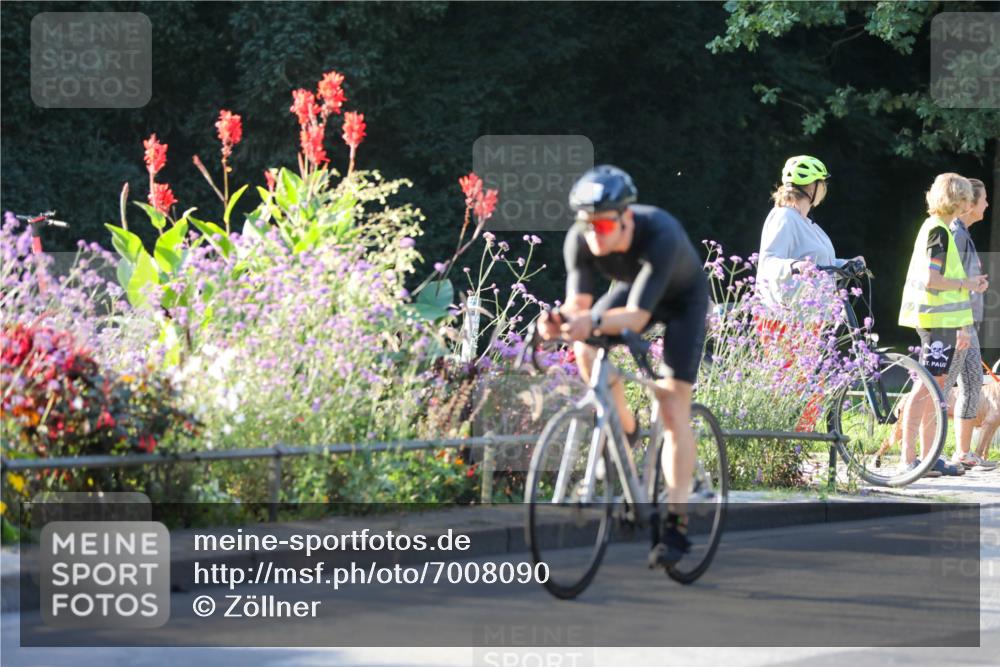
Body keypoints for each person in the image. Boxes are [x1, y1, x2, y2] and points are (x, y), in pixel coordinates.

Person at [537, 165, 708, 569]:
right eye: (587, 224)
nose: (594, 232)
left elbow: (634, 317)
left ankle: (677, 524)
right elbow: (578, 308)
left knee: (671, 408)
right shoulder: (580, 239)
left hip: (681, 301)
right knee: (584, 347)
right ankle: (624, 430)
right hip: (636, 293)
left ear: (625, 218)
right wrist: (557, 321)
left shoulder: (660, 234)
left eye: (603, 224)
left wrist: (591, 323)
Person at [755, 155, 864, 430]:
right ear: (813, 188)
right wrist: (794, 265)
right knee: (791, 386)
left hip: (809, 318)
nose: (823, 189)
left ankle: (794, 451)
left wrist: (846, 264)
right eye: (822, 183)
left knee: (809, 389)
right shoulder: (783, 217)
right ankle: (779, 448)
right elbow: (768, 261)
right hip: (784, 316)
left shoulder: (808, 223)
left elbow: (819, 263)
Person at [897, 173, 985, 477]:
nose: (970, 204)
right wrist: (968, 282)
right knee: (927, 388)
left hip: (945, 322)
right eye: (966, 198)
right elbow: (933, 280)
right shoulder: (938, 232)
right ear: (958, 200)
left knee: (937, 391)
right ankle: (908, 459)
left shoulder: (942, 230)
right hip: (935, 321)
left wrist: (961, 325)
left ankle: (928, 456)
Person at [946, 178, 995, 469]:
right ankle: (925, 454)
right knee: (940, 387)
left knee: (973, 383)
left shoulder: (964, 234)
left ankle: (963, 452)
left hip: (968, 322)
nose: (987, 204)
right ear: (969, 203)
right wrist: (959, 325)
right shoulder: (956, 234)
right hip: (957, 323)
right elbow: (949, 283)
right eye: (984, 199)